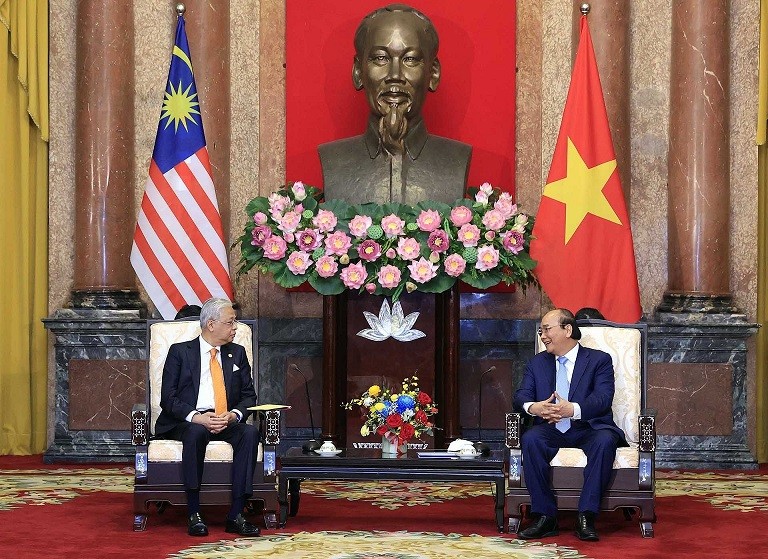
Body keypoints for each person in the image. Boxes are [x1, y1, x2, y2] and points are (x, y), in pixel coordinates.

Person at [319, 3, 471, 205]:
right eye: (381, 58)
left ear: (433, 73)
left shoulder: (456, 160)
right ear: (358, 72)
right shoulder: (334, 160)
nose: (395, 76)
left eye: (410, 59)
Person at [513, 308, 626, 542]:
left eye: (547, 329)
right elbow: (521, 396)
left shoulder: (598, 360)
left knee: (605, 441)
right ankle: (545, 516)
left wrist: (572, 409)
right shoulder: (537, 363)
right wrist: (536, 408)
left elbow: (603, 398)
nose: (542, 336)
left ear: (567, 329)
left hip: (589, 427)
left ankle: (587, 515)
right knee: (531, 438)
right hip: (552, 428)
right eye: (541, 330)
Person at [154, 297, 261, 537]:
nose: (235, 328)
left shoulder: (237, 353)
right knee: (195, 432)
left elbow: (248, 396)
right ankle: (194, 512)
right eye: (231, 322)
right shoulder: (180, 352)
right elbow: (168, 398)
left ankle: (236, 514)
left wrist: (233, 415)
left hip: (225, 419)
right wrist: (196, 417)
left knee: (250, 433)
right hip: (189, 421)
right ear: (211, 324)